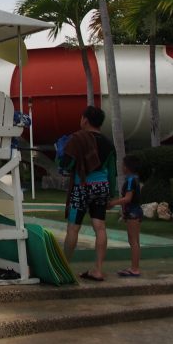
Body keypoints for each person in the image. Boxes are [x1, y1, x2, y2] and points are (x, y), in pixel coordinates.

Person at [59, 105, 116, 282]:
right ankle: (98, 269)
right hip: (102, 186)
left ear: (85, 119)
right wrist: (110, 195)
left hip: (82, 187)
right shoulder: (108, 143)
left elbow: (66, 164)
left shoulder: (77, 139)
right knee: (100, 227)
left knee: (73, 228)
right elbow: (112, 171)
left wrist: (60, 153)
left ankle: (65, 268)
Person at [108, 154, 143, 277]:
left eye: (123, 165)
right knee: (135, 241)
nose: (122, 167)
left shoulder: (130, 180)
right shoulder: (135, 178)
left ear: (127, 167)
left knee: (133, 241)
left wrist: (113, 203)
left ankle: (135, 269)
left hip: (133, 213)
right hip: (134, 212)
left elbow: (128, 198)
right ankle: (134, 267)